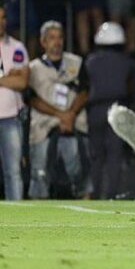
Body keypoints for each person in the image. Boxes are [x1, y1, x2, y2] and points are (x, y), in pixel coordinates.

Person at [27, 21, 89, 199]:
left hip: (73, 123)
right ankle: (37, 214)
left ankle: (86, 204)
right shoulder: (34, 68)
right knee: (40, 173)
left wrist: (69, 115)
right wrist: (60, 115)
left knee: (78, 171)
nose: (57, 42)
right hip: (44, 125)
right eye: (52, 38)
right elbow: (31, 98)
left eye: (60, 37)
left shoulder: (76, 63)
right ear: (43, 42)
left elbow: (84, 91)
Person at [84, 22, 133, 199]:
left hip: (96, 110)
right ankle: (111, 194)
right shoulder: (126, 62)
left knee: (96, 156)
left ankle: (95, 193)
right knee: (115, 155)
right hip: (117, 110)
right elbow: (130, 88)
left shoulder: (91, 61)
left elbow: (86, 86)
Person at [0, 4, 29, 200]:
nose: (0, 22)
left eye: (3, 17)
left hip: (11, 117)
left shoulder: (17, 47)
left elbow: (22, 82)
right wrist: (7, 78)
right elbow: (14, 80)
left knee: (13, 171)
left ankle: (16, 213)